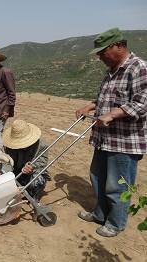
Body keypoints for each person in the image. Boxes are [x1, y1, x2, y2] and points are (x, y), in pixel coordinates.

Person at [75, 27, 147, 237]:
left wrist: (112, 115)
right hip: (104, 139)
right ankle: (100, 213)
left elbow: (142, 103)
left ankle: (115, 224)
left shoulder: (138, 68)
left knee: (117, 186)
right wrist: (89, 106)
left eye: (102, 52)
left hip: (124, 141)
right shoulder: (111, 71)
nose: (99, 57)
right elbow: (106, 99)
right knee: (97, 176)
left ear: (118, 46)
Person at [0, 119, 50, 201]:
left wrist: (31, 167)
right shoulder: (10, 145)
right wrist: (2, 173)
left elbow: (42, 162)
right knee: (1, 170)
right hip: (16, 170)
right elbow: (8, 162)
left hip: (31, 173)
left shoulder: (41, 144)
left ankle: (31, 194)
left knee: (37, 181)